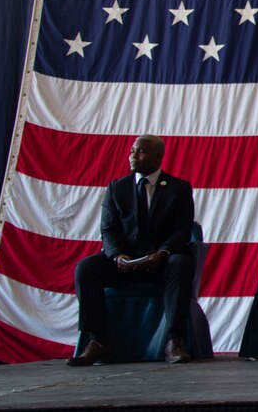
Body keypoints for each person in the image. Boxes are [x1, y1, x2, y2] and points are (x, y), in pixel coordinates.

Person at [67, 135, 196, 366]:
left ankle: (173, 340)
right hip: (125, 263)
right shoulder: (117, 188)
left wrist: (162, 253)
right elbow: (108, 229)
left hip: (161, 263)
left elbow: (182, 230)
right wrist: (118, 255)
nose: (134, 156)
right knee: (86, 268)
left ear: (158, 156)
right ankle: (97, 341)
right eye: (132, 151)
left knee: (181, 263)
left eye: (141, 151)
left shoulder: (179, 188)